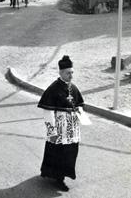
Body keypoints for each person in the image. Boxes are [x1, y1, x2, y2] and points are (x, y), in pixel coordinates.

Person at [38, 55, 84, 192]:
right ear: (60, 73)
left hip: (71, 129)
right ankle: (59, 179)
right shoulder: (53, 88)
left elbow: (80, 104)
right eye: (68, 73)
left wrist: (80, 112)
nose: (71, 76)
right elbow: (47, 112)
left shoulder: (73, 88)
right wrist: (52, 131)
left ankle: (62, 174)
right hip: (59, 129)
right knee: (58, 153)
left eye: (72, 73)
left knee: (70, 153)